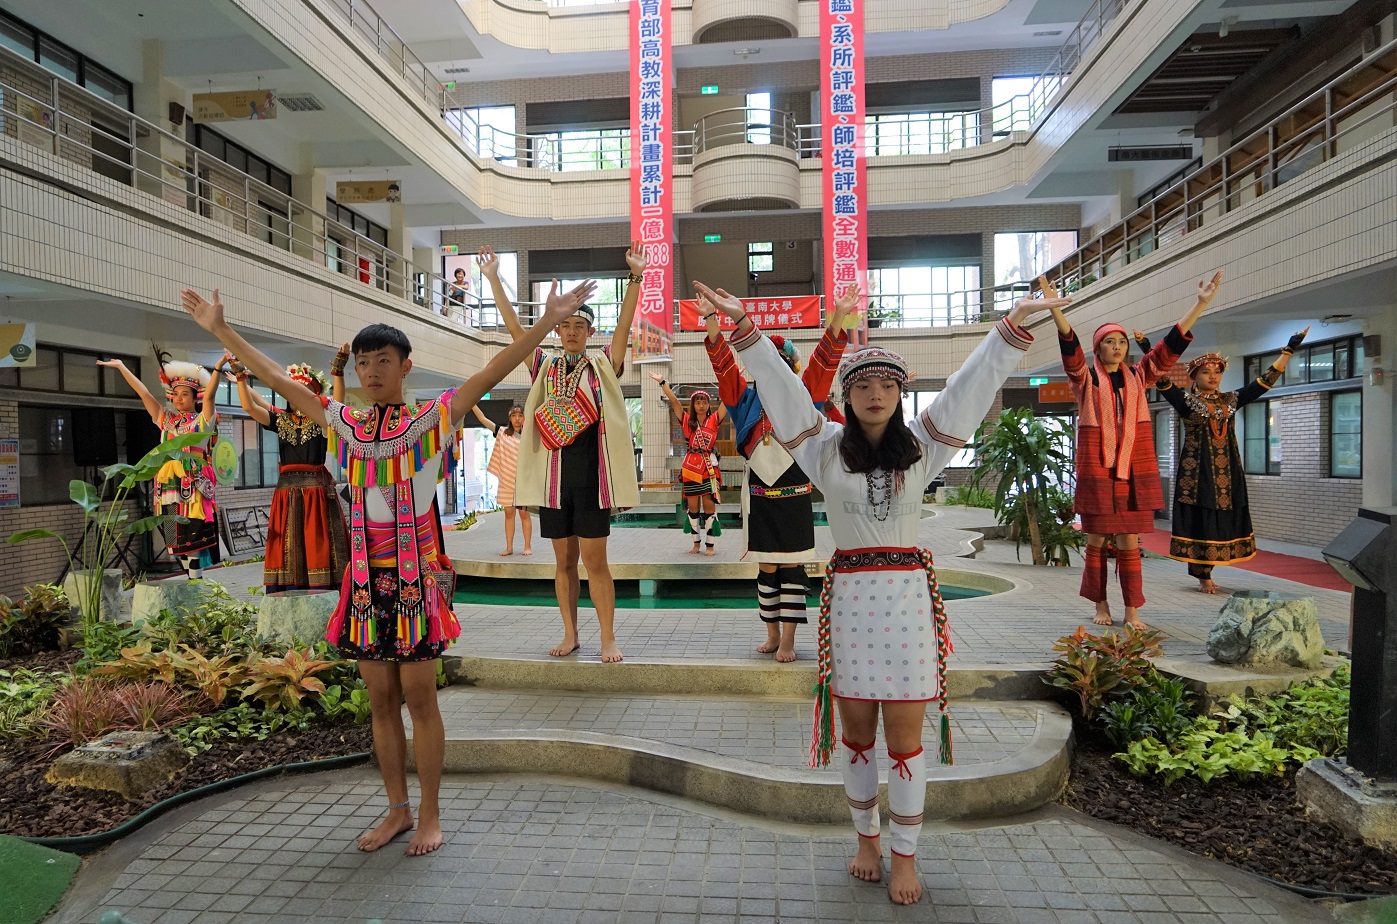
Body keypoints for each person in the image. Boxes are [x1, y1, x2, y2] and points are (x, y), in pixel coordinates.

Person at [179, 280, 595, 857]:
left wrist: (547, 324)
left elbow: (492, 371)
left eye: (383, 361)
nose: (372, 371)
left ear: (405, 367)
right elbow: (278, 380)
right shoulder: (345, 424)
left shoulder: (431, 418)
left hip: (414, 581)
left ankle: (431, 815)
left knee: (420, 698)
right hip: (363, 583)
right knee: (379, 700)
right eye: (364, 362)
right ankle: (398, 810)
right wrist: (222, 331)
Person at [696, 278, 1066, 905]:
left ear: (899, 394)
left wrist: (1012, 326)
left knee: (905, 741)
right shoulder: (823, 449)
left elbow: (968, 390)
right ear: (847, 394)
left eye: (887, 386)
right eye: (863, 385)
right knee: (858, 735)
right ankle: (867, 840)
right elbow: (783, 392)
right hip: (850, 607)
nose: (875, 395)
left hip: (908, 609)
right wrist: (744, 329)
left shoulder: (921, 448)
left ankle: (906, 856)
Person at [483, 241, 645, 663]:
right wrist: (494, 279)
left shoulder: (603, 365)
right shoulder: (544, 365)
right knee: (564, 562)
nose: (572, 332)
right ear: (557, 330)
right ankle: (570, 633)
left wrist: (635, 277)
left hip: (590, 480)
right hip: (554, 485)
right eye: (565, 325)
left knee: (596, 562)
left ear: (590, 332)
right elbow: (516, 331)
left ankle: (607, 637)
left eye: (579, 326)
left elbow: (624, 327)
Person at [1043, 271, 1223, 630]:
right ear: (1098, 348)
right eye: (1110, 342)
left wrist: (1200, 304)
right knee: (1097, 539)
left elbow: (1169, 348)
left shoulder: (1140, 376)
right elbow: (1070, 350)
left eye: (1122, 342)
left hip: (1133, 471)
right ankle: (1101, 604)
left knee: (1129, 540)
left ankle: (1132, 610)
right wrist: (1054, 310)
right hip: (1098, 469)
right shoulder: (1085, 379)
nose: (1117, 347)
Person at [701, 285, 859, 661]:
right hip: (759, 495)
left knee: (792, 567)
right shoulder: (744, 399)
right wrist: (710, 319)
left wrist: (839, 315)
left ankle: (788, 640)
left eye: (780, 362)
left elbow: (825, 360)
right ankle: (772, 634)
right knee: (766, 567)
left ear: (790, 368)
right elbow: (723, 364)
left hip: (794, 494)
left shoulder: (805, 396)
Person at [1137, 328, 1307, 593]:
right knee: (1201, 518)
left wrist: (1289, 349)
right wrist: (1148, 350)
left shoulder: (1231, 400)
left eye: (1217, 372)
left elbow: (1264, 382)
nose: (1213, 376)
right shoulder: (1187, 401)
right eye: (1206, 372)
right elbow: (1160, 379)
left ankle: (1212, 568)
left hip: (1228, 471)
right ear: (1195, 377)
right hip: (1197, 473)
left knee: (1224, 518)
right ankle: (1203, 575)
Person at [227, 355, 350, 593]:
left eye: (304, 392)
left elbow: (338, 403)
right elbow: (250, 407)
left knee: (316, 541)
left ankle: (323, 590)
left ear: (315, 396)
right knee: (288, 542)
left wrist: (338, 370)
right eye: (294, 392)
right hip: (286, 493)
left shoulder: (322, 420)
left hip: (315, 493)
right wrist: (241, 377)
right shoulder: (281, 420)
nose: (298, 396)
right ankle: (288, 590)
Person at [98, 350, 225, 579]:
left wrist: (217, 368)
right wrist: (122, 367)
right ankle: (192, 580)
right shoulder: (166, 420)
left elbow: (210, 397)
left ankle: (195, 582)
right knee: (175, 541)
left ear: (195, 397)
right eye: (175, 394)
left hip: (192, 485)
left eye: (185, 394)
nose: (179, 399)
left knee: (193, 538)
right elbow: (143, 393)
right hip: (167, 487)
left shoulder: (202, 422)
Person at [649, 374, 727, 555]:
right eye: (697, 402)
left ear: (709, 404)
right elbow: (674, 401)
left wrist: (730, 379)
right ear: (693, 405)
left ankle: (710, 545)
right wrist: (662, 383)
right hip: (691, 470)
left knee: (709, 508)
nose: (701, 405)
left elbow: (727, 402)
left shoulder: (714, 420)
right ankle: (696, 544)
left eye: (704, 402)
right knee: (693, 509)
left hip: (708, 469)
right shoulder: (686, 421)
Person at [471, 403, 531, 556]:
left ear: (524, 418)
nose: (517, 419)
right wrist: (471, 403)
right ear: (509, 418)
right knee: (509, 514)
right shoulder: (502, 432)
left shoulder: (530, 435)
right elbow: (482, 419)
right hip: (506, 480)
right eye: (514, 416)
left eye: (520, 415)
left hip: (524, 480)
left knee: (524, 514)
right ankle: (509, 547)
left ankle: (527, 546)